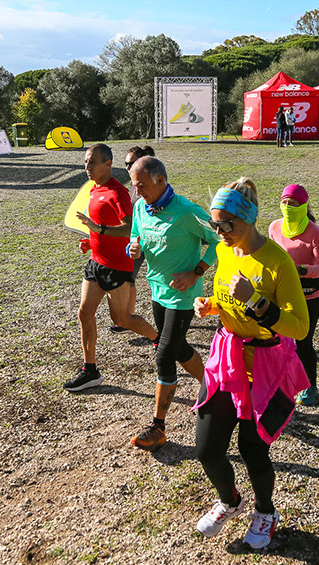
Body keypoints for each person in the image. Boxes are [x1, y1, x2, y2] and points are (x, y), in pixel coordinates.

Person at [192, 178, 310, 550]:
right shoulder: (226, 251)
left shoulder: (278, 261)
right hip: (227, 356)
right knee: (206, 448)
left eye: (227, 224)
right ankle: (230, 501)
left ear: (250, 219)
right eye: (216, 225)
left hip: (267, 362)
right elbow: (224, 294)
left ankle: (265, 511)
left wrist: (257, 300)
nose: (221, 232)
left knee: (251, 447)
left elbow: (300, 327)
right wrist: (210, 305)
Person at [125, 157, 218, 450]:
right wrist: (133, 247)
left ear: (160, 180)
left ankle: (158, 426)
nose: (137, 192)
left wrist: (196, 272)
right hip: (157, 290)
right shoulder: (141, 207)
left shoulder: (187, 211)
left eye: (141, 185)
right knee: (176, 348)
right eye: (134, 185)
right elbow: (134, 237)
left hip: (184, 295)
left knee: (164, 354)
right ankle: (215, 387)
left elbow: (219, 239)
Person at [64, 144, 159, 392]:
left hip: (117, 267)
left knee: (122, 318)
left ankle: (158, 340)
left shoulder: (117, 193)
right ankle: (90, 370)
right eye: (85, 162)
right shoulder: (94, 189)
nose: (87, 167)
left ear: (108, 164)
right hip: (96, 263)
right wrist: (91, 240)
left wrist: (100, 231)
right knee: (84, 313)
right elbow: (99, 225)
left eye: (92, 162)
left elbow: (129, 229)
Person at [269, 185, 319, 405]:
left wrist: (303, 270)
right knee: (277, 340)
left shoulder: (313, 231)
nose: (287, 207)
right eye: (284, 202)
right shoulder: (275, 227)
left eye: (292, 203)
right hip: (282, 293)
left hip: (309, 296)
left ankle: (310, 386)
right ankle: (281, 382)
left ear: (303, 206)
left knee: (303, 342)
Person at [111, 145, 156, 335]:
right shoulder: (133, 184)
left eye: (132, 163)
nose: (128, 168)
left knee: (143, 278)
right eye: (126, 164)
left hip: (150, 238)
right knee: (129, 277)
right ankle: (127, 317)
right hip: (136, 238)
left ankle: (126, 318)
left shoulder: (152, 184)